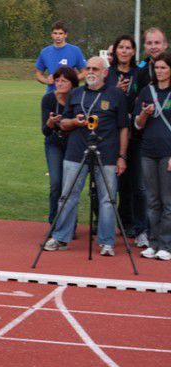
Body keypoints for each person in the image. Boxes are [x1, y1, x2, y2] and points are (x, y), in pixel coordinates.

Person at [45, 56, 129, 256]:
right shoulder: (75, 93)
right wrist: (75, 122)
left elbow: (124, 128)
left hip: (107, 153)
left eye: (95, 69)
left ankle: (107, 242)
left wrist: (122, 156)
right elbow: (63, 124)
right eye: (88, 68)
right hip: (76, 151)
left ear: (105, 73)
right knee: (67, 195)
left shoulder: (116, 95)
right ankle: (60, 237)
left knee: (108, 199)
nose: (91, 72)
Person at [107, 35, 149, 248]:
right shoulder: (109, 73)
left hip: (136, 134)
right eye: (120, 47)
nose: (124, 51)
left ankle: (142, 228)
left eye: (128, 47)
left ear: (133, 51)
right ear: (115, 51)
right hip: (113, 135)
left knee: (139, 185)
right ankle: (125, 225)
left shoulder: (139, 72)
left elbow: (142, 96)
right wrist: (116, 91)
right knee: (119, 184)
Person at [134, 51, 171, 261]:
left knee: (168, 201)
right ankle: (153, 241)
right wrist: (144, 114)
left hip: (168, 152)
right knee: (152, 200)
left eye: (164, 68)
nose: (160, 71)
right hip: (148, 151)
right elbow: (138, 125)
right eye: (157, 68)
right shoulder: (148, 91)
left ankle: (166, 244)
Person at [41, 66, 79, 224]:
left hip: (73, 145)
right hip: (54, 143)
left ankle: (70, 224)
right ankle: (54, 223)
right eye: (57, 80)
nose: (59, 83)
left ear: (73, 83)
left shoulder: (78, 98)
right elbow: (45, 131)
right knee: (56, 183)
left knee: (70, 186)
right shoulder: (48, 99)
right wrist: (50, 123)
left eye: (64, 80)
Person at [35, 21, 87, 93]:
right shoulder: (45, 52)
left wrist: (70, 80)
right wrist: (46, 81)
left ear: (65, 35)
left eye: (60, 33)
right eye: (55, 33)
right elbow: (38, 74)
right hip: (52, 94)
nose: (57, 36)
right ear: (51, 35)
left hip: (71, 94)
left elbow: (85, 72)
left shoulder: (75, 50)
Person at [136, 28, 169, 96]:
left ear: (165, 45)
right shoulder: (140, 68)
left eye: (157, 43)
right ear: (145, 46)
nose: (153, 47)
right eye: (149, 43)